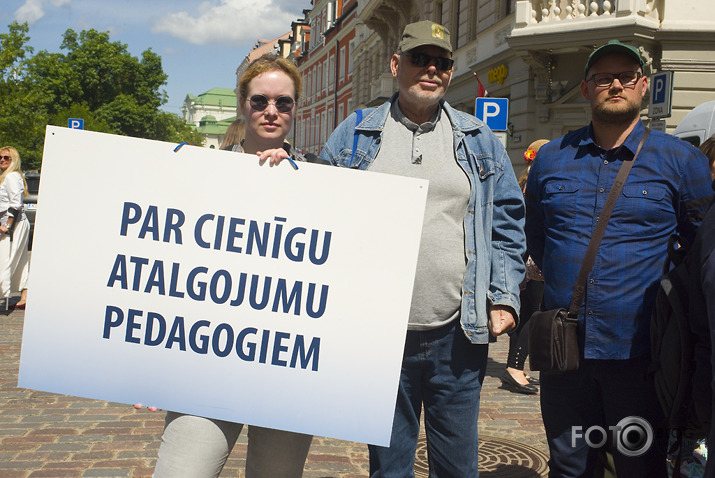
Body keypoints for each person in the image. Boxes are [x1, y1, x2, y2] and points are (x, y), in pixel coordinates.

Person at [320, 20, 526, 477]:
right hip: (379, 335)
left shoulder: (477, 139)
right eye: (420, 59)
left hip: (458, 333)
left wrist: (504, 296)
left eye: (442, 62)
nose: (431, 69)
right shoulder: (354, 134)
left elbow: (508, 224)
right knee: (389, 468)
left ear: (450, 73)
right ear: (396, 65)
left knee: (457, 467)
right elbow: (317, 215)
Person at [524, 40, 714, 477]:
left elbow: (700, 249)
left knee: (638, 466)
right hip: (566, 357)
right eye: (602, 77)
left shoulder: (680, 161)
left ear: (643, 86)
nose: (615, 84)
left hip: (639, 359)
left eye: (626, 76)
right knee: (570, 466)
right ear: (587, 88)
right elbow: (539, 238)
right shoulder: (553, 159)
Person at [149, 53, 313, 478]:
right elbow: (164, 270)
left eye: (284, 102)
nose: (272, 111)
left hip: (286, 375)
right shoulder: (200, 175)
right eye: (260, 101)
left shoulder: (319, 182)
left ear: (296, 108)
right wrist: (145, 364)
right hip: (207, 368)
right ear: (243, 105)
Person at [500, 139, 549, 395]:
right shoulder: (537, 184)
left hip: (524, 260)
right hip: (533, 261)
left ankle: (515, 368)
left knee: (528, 314)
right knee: (532, 315)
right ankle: (514, 369)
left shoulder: (524, 182)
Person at [0, 146, 30, 311]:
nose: (2, 160)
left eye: (6, 158)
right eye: (0, 157)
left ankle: (5, 291)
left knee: (7, 259)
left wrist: (7, 226)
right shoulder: (8, 176)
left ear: (14, 160)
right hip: (16, 223)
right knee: (20, 260)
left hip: (14, 224)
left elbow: (15, 203)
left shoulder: (11, 176)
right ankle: (25, 295)